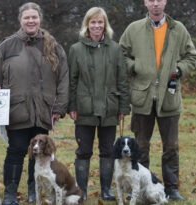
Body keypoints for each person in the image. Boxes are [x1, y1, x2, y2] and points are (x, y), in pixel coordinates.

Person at [0, 2, 69, 204]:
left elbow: (64, 79)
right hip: (17, 111)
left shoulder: (53, 47)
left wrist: (59, 108)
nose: (31, 20)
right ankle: (10, 194)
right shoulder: (6, 46)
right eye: (27, 17)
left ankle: (34, 192)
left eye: (34, 17)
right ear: (20, 20)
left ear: (40, 19)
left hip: (43, 110)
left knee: (40, 155)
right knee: (15, 152)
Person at [119, 0, 196, 201]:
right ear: (146, 3)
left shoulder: (178, 29)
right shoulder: (133, 29)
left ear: (165, 2)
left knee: (171, 146)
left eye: (160, 0)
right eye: (151, 0)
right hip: (142, 97)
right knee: (141, 146)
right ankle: (139, 189)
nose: (156, 4)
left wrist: (179, 70)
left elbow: (192, 56)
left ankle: (171, 188)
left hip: (169, 98)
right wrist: (134, 66)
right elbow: (120, 54)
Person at [68, 7, 130, 201]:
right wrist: (72, 106)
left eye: (100, 22)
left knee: (108, 149)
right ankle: (82, 190)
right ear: (87, 25)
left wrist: (123, 107)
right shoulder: (76, 49)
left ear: (105, 25)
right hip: (84, 108)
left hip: (110, 108)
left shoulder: (115, 48)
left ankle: (106, 190)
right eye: (93, 22)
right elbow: (72, 81)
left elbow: (122, 80)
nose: (97, 26)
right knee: (83, 151)